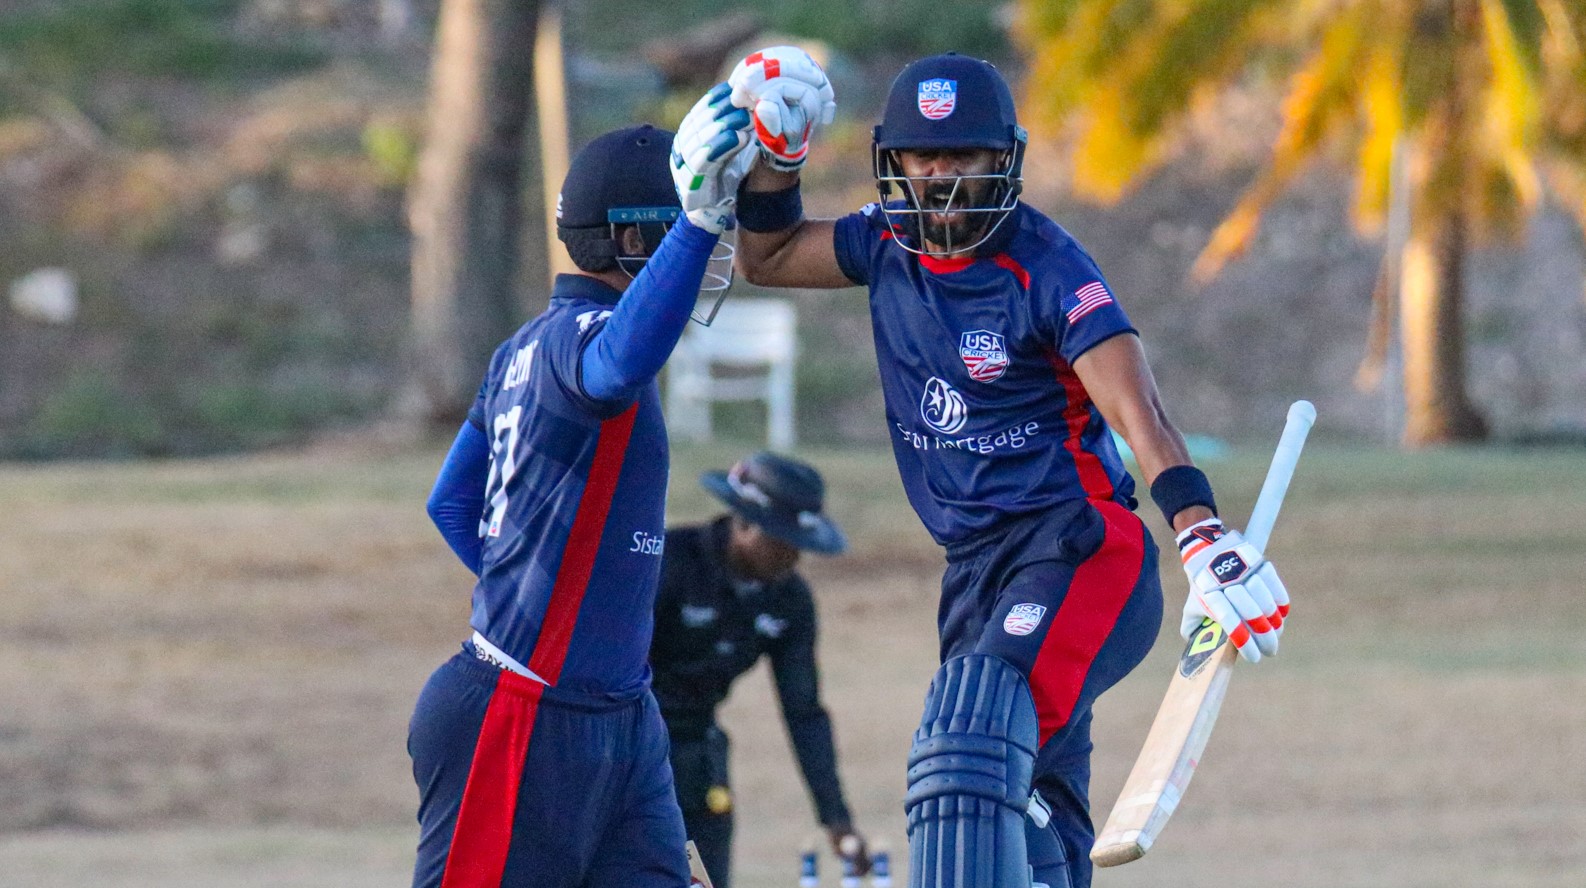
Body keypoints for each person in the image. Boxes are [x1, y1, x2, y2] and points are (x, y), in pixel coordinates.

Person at [697, 48, 1292, 888]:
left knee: (970, 752)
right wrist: (778, 161)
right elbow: (770, 255)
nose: (941, 177)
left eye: (962, 155)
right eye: (923, 157)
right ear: (894, 162)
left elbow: (1140, 412)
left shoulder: (1046, 266)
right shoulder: (883, 242)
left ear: (1002, 160)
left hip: (1078, 550)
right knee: (1027, 793)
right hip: (975, 574)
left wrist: (1202, 536)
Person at [408, 89, 761, 888]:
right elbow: (618, 363)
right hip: (522, 714)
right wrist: (700, 222)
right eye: (679, 229)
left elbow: (451, 503)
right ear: (632, 238)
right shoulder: (582, 342)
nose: (703, 249)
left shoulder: (522, 347)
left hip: (619, 715)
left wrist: (557, 593)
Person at [649, 451, 870, 888]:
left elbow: (803, 711)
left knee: (703, 880)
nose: (793, 557)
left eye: (799, 544)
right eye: (782, 541)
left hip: (698, 761)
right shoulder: (668, 564)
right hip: (627, 750)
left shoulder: (790, 601)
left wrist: (836, 818)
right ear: (745, 524)